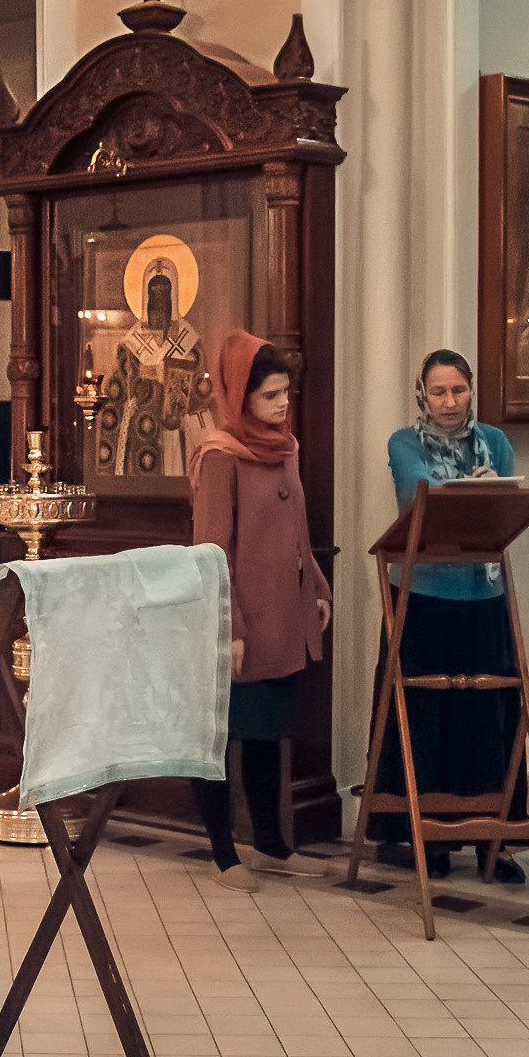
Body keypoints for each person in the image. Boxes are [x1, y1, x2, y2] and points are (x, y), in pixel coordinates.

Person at [371, 350, 528, 883]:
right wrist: (470, 494)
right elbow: (419, 495)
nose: (449, 402)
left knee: (488, 718)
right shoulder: (403, 441)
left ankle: (492, 839)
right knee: (422, 716)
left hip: (484, 598)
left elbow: (507, 506)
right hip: (423, 597)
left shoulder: (497, 443)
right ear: (421, 394)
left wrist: (486, 496)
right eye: (438, 392)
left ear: (471, 391)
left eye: (458, 390)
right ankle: (423, 835)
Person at [187, 331, 330, 891]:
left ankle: (270, 844)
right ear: (240, 395)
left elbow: (298, 530)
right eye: (271, 395)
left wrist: (317, 587)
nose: (282, 404)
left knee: (269, 732)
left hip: (282, 619)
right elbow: (211, 552)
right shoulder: (221, 457)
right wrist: (231, 628)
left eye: (286, 393)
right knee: (221, 739)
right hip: (239, 623)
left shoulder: (285, 446)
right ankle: (223, 854)